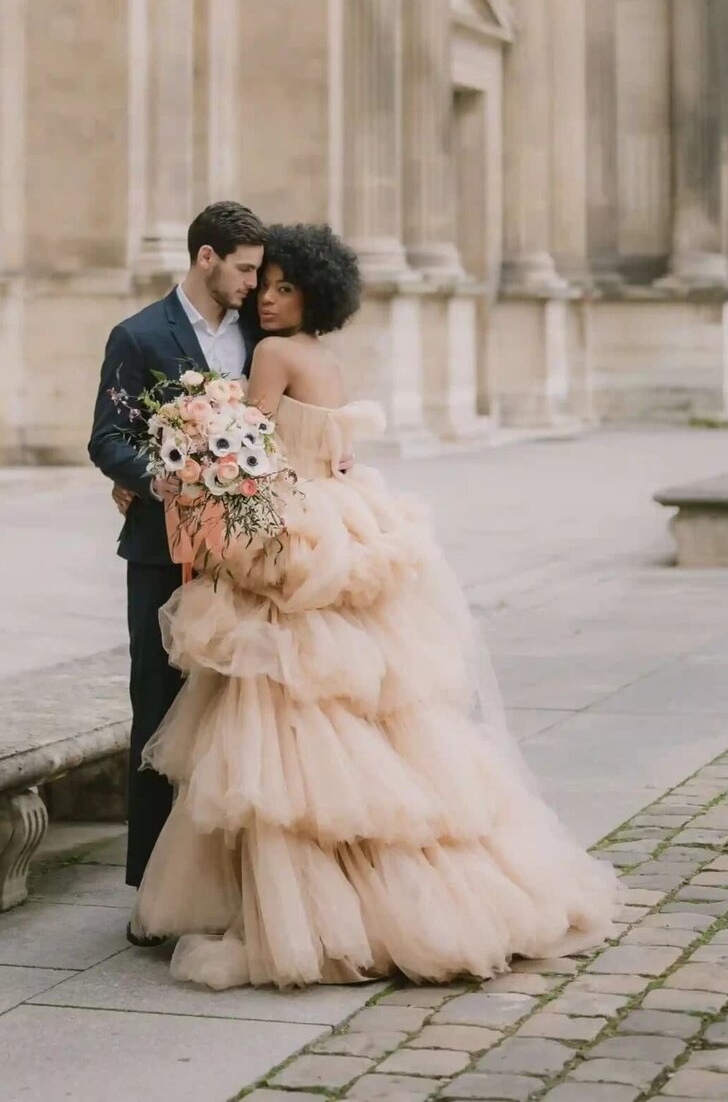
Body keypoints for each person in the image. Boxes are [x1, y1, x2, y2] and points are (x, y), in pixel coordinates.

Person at [134, 222, 619, 990]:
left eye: (285, 287)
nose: (268, 297)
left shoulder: (270, 354)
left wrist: (191, 449)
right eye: (268, 284)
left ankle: (305, 909)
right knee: (366, 712)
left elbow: (248, 443)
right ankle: (379, 892)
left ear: (312, 297)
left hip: (289, 521)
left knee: (282, 718)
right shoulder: (326, 359)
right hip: (341, 515)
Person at [88, 200, 266, 939]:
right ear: (206, 258)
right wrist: (168, 477)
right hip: (163, 554)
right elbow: (107, 437)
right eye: (245, 269)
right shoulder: (138, 335)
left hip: (249, 558)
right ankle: (153, 893)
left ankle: (231, 885)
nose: (255, 284)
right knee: (159, 709)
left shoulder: (263, 336)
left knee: (239, 714)